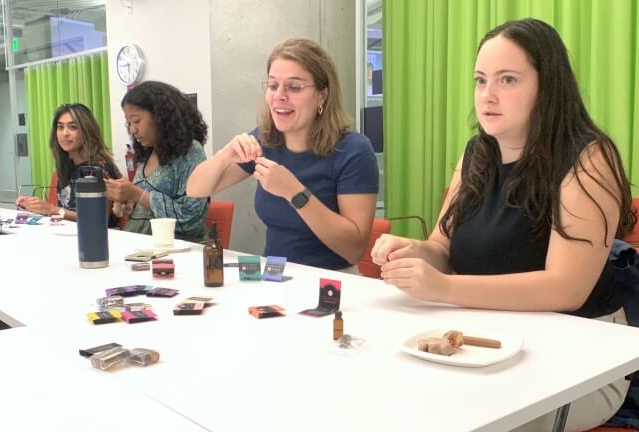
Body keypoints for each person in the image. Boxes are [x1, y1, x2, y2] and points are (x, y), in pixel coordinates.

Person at [371, 18, 636, 432]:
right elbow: (442, 246)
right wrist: (413, 251)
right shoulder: (477, 152)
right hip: (489, 341)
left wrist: (442, 288)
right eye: (480, 80)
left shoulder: (588, 157)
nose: (487, 96)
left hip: (583, 358)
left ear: (547, 87)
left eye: (507, 80)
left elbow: (567, 288)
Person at [187, 38, 378, 270]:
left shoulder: (354, 151)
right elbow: (195, 189)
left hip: (331, 282)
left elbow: (353, 250)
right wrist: (224, 154)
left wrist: (294, 192)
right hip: (274, 276)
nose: (279, 95)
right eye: (273, 85)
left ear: (322, 95)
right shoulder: (265, 140)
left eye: (294, 87)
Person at [105, 81, 209, 243]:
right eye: (129, 123)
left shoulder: (190, 152)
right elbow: (144, 210)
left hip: (173, 252)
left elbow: (190, 220)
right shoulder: (147, 153)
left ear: (160, 117)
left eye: (136, 121)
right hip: (138, 247)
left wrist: (138, 194)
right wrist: (127, 200)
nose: (132, 130)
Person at [15, 103, 121, 226]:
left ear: (87, 131)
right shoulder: (66, 164)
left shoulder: (98, 168)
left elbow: (98, 219)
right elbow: (66, 210)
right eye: (60, 127)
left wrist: (51, 210)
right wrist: (34, 206)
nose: (65, 133)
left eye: (73, 127)